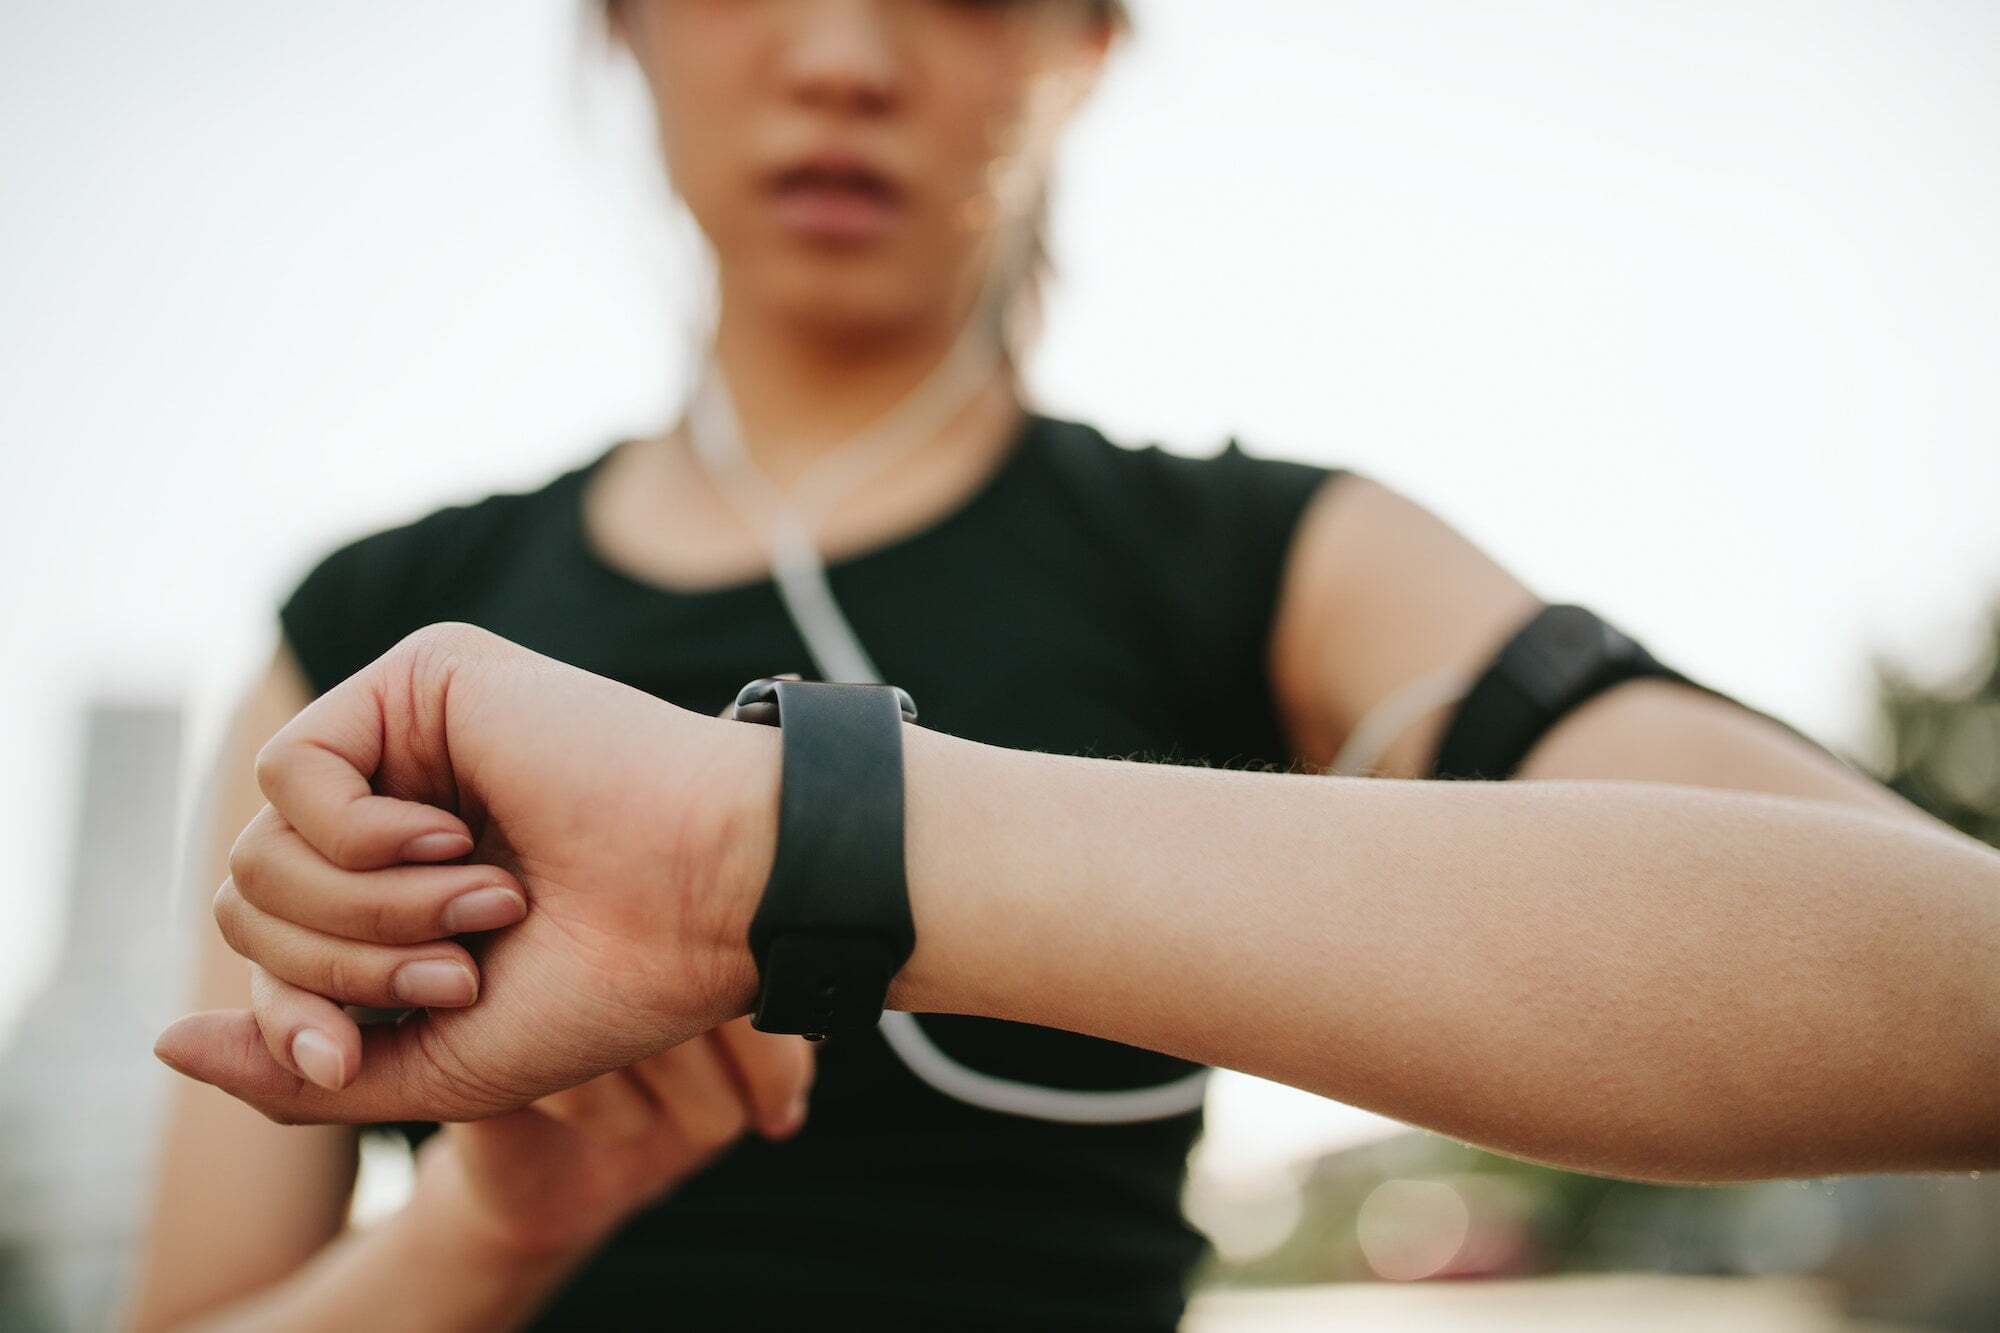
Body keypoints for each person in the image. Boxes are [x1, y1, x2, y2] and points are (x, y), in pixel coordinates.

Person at [127, 2, 2000, 1330]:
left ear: (1085, 45)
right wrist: (489, 1236)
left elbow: (1958, 995)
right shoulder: (378, 626)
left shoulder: (1270, 561)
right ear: (617, 22)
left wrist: (781, 845)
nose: (846, 53)